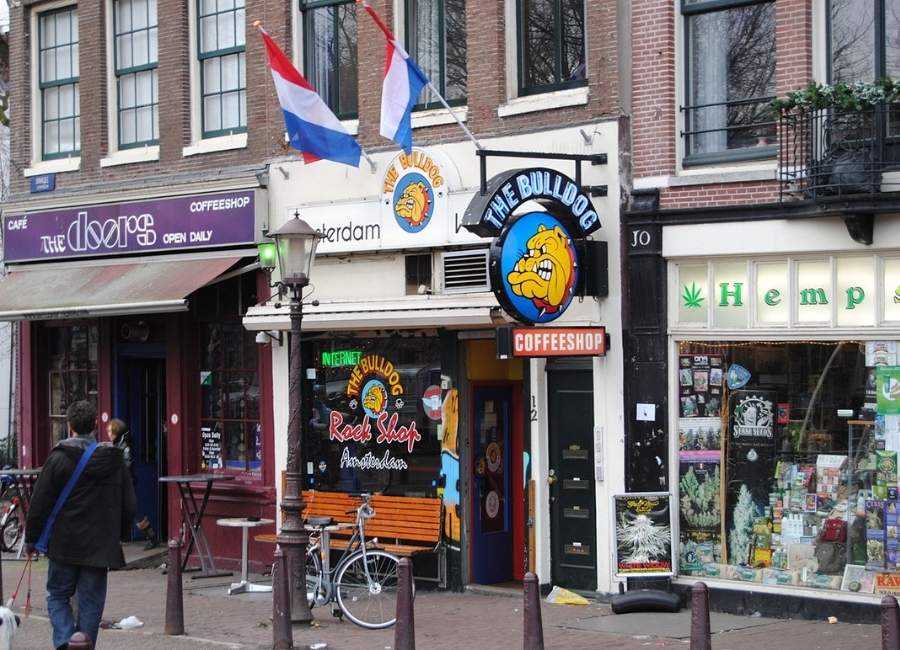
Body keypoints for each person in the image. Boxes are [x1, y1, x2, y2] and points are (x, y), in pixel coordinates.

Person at [25, 401, 136, 650]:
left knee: (57, 596)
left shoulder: (58, 459)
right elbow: (129, 505)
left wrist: (31, 538)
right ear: (96, 425)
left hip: (64, 543)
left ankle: (67, 643)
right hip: (99, 546)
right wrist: (118, 534)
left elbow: (39, 502)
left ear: (70, 426)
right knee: (91, 604)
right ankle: (83, 646)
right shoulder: (113, 461)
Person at [106, 418, 157, 550]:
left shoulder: (124, 447)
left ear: (117, 432)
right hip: (120, 482)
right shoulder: (118, 445)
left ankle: (151, 536)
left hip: (124, 483)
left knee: (133, 511)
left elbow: (127, 465)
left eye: (111, 431)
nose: (108, 434)